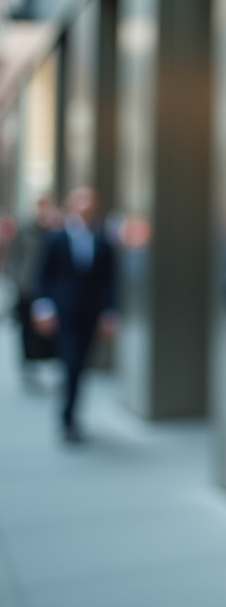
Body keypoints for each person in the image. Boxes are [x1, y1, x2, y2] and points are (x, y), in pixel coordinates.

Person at [32, 186, 117, 442]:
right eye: (81, 201)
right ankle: (67, 418)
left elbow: (109, 280)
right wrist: (43, 307)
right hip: (64, 311)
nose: (86, 206)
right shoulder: (56, 238)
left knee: (80, 366)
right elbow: (44, 274)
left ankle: (72, 412)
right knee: (72, 363)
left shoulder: (103, 240)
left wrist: (109, 311)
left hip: (91, 312)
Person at [5, 196, 60, 385]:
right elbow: (13, 258)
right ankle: (29, 365)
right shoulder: (24, 231)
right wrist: (17, 280)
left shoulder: (53, 232)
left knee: (47, 329)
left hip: (47, 289)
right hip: (27, 287)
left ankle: (46, 363)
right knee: (27, 328)